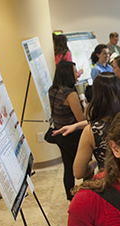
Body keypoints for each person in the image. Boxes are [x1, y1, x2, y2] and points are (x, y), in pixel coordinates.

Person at [55, 72, 120, 180]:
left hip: (110, 185)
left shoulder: (92, 131)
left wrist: (95, 163)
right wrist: (76, 125)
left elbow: (78, 173)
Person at [49, 61, 86, 200]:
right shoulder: (70, 94)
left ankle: (70, 197)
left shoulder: (52, 90)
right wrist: (84, 104)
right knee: (84, 166)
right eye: (75, 71)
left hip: (60, 135)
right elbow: (81, 119)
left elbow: (54, 111)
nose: (77, 74)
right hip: (73, 135)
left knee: (68, 167)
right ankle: (85, 198)